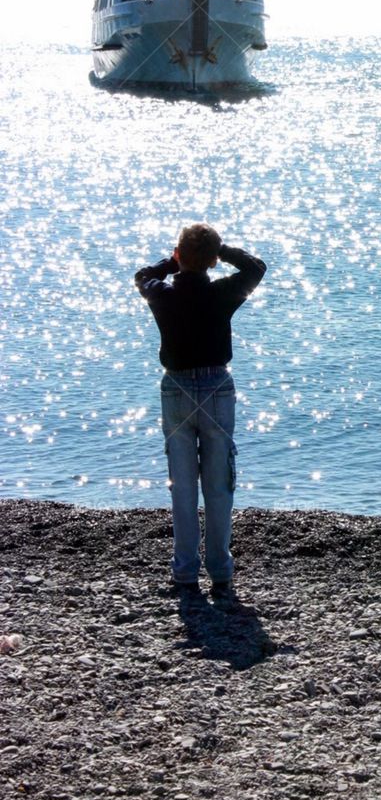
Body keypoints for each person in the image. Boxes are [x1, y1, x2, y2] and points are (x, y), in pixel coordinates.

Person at [135, 224, 266, 597]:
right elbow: (256, 267)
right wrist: (221, 251)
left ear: (179, 256)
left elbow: (142, 276)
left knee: (182, 485)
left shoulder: (162, 293)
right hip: (215, 388)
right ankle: (220, 570)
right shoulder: (223, 293)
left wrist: (172, 262)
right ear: (211, 260)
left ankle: (186, 571)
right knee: (219, 485)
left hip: (176, 387)